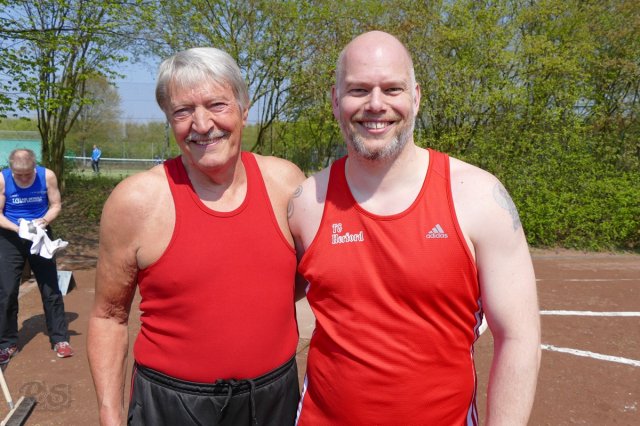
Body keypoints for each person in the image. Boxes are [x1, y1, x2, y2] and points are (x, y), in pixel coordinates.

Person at [288, 31, 541, 425]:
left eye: (392, 89)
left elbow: (519, 338)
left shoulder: (479, 197)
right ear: (336, 100)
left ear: (416, 97)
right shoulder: (305, 202)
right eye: (358, 89)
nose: (376, 104)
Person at [87, 47, 305, 426]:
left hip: (273, 399)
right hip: (172, 404)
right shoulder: (136, 201)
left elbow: (304, 280)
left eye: (217, 105)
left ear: (244, 109)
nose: (202, 124)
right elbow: (109, 316)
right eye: (183, 111)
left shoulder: (286, 183)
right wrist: (110, 415)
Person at [0, 149, 74, 363]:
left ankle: (60, 339)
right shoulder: (2, 179)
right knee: (7, 291)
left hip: (40, 233)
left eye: (28, 174)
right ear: (11, 168)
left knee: (50, 287)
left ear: (35, 166)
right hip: (10, 235)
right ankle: (7, 343)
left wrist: (43, 222)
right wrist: (18, 229)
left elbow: (56, 205)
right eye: (19, 175)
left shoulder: (47, 175)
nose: (24, 178)